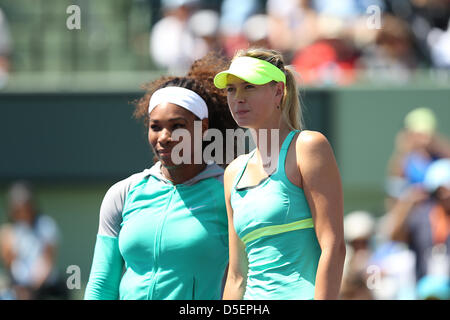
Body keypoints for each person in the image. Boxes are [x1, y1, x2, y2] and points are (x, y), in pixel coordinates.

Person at [84, 53, 238, 300]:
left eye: (177, 126)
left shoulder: (229, 191)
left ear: (203, 127)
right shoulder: (122, 193)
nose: (164, 137)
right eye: (155, 126)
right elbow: (102, 284)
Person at [214, 48, 346, 300]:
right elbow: (237, 275)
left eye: (249, 87)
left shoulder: (308, 146)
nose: (237, 97)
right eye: (231, 89)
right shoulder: (233, 172)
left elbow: (334, 247)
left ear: (278, 91)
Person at [0, 181, 66, 300]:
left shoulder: (46, 226)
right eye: (17, 206)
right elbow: (9, 263)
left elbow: (48, 261)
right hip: (18, 286)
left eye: (25, 205)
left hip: (45, 285)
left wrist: (33, 289)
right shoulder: (8, 231)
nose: (22, 209)